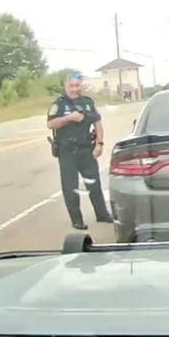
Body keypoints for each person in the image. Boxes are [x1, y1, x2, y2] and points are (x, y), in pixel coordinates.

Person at [46, 72, 112, 229]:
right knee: (70, 187)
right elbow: (51, 124)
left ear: (81, 85)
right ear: (66, 86)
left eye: (77, 85)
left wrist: (99, 144)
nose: (74, 89)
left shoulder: (88, 102)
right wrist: (68, 118)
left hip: (86, 149)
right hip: (67, 151)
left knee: (94, 183)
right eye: (71, 86)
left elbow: (98, 124)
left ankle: (102, 214)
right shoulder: (59, 104)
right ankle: (77, 219)